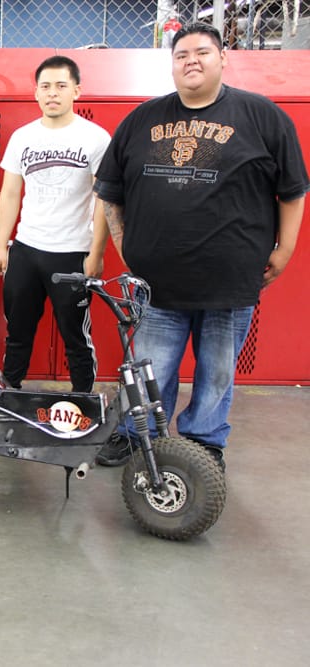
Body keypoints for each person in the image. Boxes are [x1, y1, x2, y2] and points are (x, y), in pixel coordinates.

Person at [93, 23, 308, 467]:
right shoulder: (142, 119)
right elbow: (110, 191)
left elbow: (293, 190)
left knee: (217, 375)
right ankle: (138, 434)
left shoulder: (263, 116)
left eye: (202, 52)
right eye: (181, 54)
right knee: (149, 368)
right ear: (171, 64)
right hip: (157, 284)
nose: (191, 60)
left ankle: (205, 441)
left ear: (223, 57)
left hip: (229, 283)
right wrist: (126, 246)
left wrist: (285, 249)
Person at [0, 56, 111, 393]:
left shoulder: (96, 138)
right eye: (45, 86)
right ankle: (9, 392)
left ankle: (83, 398)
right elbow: (10, 193)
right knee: (18, 331)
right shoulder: (22, 137)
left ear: (77, 90)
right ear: (36, 93)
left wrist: (96, 253)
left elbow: (104, 200)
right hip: (27, 249)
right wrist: (2, 246)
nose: (52, 93)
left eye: (61, 86)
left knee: (76, 335)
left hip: (72, 253)